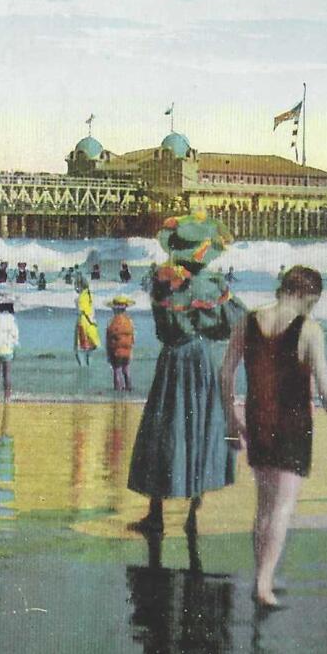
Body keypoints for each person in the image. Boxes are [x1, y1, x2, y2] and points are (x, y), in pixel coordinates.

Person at [222, 265, 327, 608]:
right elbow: (324, 384)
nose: (312, 309)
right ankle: (264, 583)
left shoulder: (248, 321)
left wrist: (230, 421)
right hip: (293, 425)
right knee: (282, 507)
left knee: (264, 506)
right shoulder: (309, 330)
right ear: (305, 295)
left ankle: (261, 574)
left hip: (257, 420)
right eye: (312, 302)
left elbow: (225, 373)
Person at [127, 211, 245, 535]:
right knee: (201, 429)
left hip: (171, 361)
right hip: (199, 359)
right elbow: (232, 325)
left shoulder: (160, 282)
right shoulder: (211, 285)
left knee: (163, 431)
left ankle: (156, 515)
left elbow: (161, 328)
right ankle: (192, 513)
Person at [106, 295, 136, 391]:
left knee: (117, 370)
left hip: (116, 350)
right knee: (126, 369)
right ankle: (129, 387)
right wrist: (131, 349)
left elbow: (108, 338)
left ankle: (117, 390)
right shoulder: (130, 321)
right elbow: (133, 336)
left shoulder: (111, 321)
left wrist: (108, 352)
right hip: (127, 349)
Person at [74, 277, 100, 366]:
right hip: (90, 323)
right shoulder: (89, 295)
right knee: (89, 349)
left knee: (79, 349)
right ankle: (89, 368)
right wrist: (93, 322)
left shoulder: (81, 297)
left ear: (80, 286)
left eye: (76, 285)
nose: (75, 288)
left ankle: (82, 369)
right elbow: (91, 311)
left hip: (82, 323)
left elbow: (83, 311)